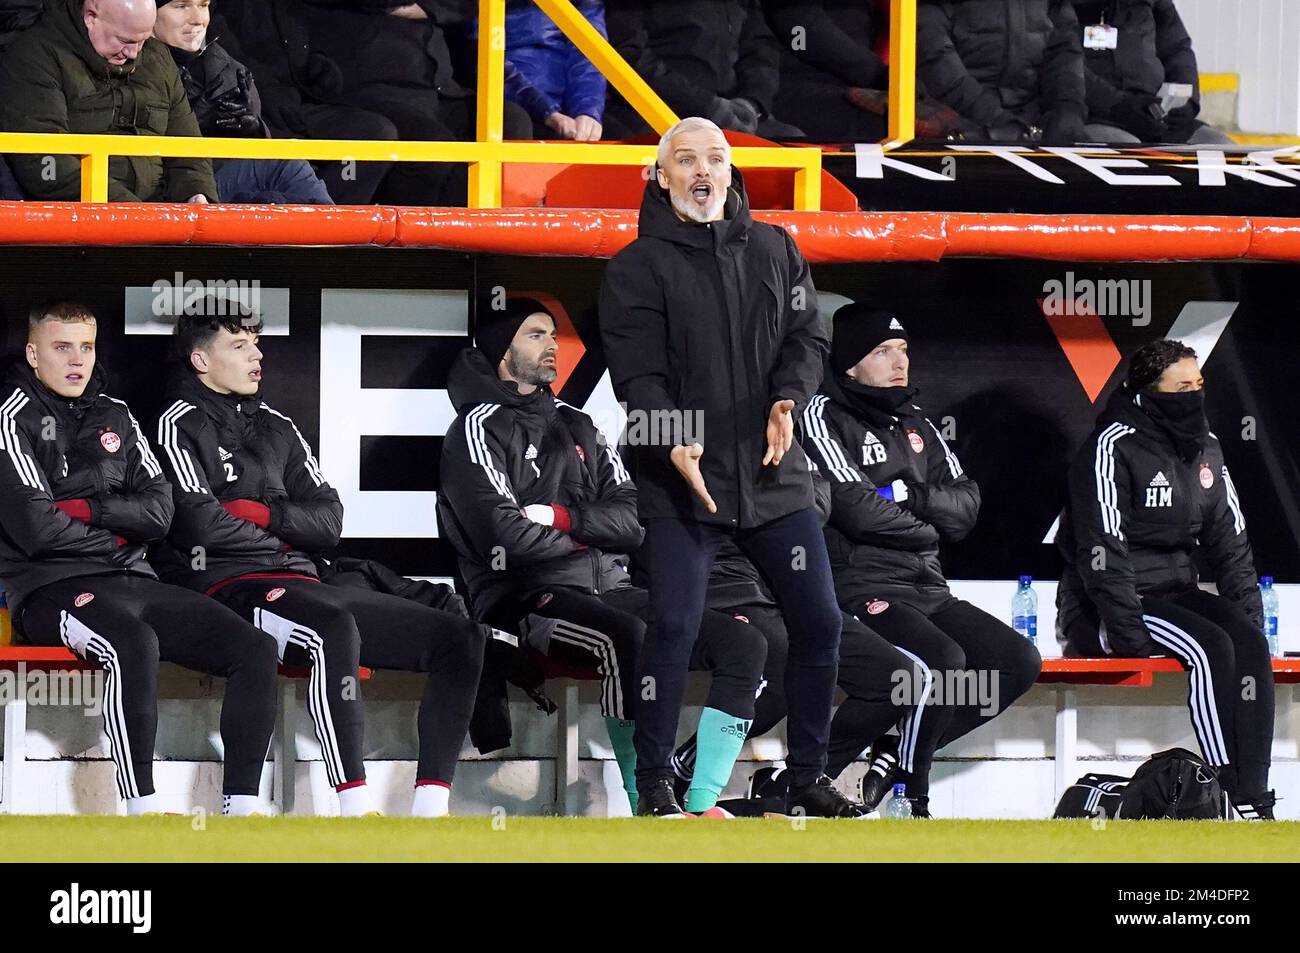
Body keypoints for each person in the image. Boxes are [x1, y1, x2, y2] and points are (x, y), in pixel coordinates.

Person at [600, 116, 854, 818]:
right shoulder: (635, 266)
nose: (702, 170)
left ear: (731, 171)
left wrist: (788, 398)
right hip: (683, 482)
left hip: (774, 475)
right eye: (686, 160)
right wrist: (674, 440)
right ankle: (654, 783)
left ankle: (806, 774)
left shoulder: (776, 247)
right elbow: (638, 377)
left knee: (820, 621)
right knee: (675, 624)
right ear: (661, 176)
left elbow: (808, 336)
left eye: (715, 157)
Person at [150, 306, 485, 818]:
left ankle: (431, 807)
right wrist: (283, 535)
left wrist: (261, 513)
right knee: (333, 625)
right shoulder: (176, 422)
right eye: (238, 346)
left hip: (305, 578)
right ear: (200, 359)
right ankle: (353, 803)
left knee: (459, 637)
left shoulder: (278, 426)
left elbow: (329, 521)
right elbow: (198, 526)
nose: (257, 354)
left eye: (256, 343)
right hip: (229, 588)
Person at [438, 297, 767, 816]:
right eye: (534, 335)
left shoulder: (580, 424)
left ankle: (702, 801)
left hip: (611, 589)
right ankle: (649, 800)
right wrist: (595, 533)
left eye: (552, 334)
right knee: (627, 638)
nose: (551, 345)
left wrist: (562, 519)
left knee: (743, 642)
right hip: (525, 598)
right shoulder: (476, 428)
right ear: (503, 352)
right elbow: (505, 539)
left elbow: (635, 523)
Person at [0, 303, 278, 815]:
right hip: (49, 590)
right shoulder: (11, 416)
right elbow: (35, 529)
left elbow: (160, 512)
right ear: (34, 354)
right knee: (132, 642)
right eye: (61, 348)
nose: (76, 361)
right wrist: (116, 536)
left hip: (133, 579)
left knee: (255, 648)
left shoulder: (117, 414)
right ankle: (140, 808)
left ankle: (242, 806)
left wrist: (90, 513)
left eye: (86, 347)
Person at [802, 303, 1041, 816]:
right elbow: (856, 510)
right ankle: (912, 796)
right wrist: (928, 514)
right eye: (883, 351)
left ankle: (896, 755)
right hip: (863, 586)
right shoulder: (820, 415)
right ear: (849, 364)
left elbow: (967, 509)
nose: (899, 362)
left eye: (903, 350)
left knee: (1015, 661)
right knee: (944, 661)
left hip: (928, 585)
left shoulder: (917, 424)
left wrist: (908, 497)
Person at [1056, 339, 1275, 819]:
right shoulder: (1110, 445)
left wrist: (1251, 619)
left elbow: (1231, 543)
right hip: (1110, 604)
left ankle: (1255, 796)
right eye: (1181, 388)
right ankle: (1222, 791)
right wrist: (1126, 634)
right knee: (1211, 648)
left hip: (1177, 591)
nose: (1194, 396)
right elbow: (1101, 550)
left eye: (1199, 385)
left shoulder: (1207, 448)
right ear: (1148, 393)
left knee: (1250, 645)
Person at [663, 463, 929, 813]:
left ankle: (802, 781)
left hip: (793, 583)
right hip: (726, 583)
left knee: (899, 678)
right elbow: (690, 514)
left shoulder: (787, 437)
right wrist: (771, 506)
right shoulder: (696, 435)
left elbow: (817, 501)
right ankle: (685, 766)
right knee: (781, 658)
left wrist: (776, 512)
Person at [0, 0, 217, 202]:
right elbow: (45, 162)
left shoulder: (157, 57)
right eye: (125, 41)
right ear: (90, 17)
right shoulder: (34, 57)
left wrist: (196, 194)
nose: (134, 52)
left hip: (159, 212)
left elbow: (188, 147)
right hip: (81, 219)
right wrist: (128, 211)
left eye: (142, 41)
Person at [152, 0, 334, 204]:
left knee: (274, 200)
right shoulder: (134, 63)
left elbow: (257, 150)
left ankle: (339, 232)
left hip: (216, 178)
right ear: (148, 11)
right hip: (175, 188)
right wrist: (198, 122)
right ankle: (340, 232)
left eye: (203, 5)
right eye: (181, 6)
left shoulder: (225, 65)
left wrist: (251, 130)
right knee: (286, 166)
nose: (198, 20)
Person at [603, 1, 803, 138]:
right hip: (657, 113)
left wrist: (752, 103)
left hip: (736, 113)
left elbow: (760, 45)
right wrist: (707, 106)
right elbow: (627, 56)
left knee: (796, 144)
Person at [916, 0, 1085, 145]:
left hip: (1033, 116)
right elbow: (934, 56)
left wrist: (1067, 106)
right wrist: (994, 119)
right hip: (955, 117)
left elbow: (1064, 49)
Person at [1074, 0, 1232, 145]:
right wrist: (1117, 105)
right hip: (1095, 115)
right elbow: (1062, 64)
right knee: (1127, 153)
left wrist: (1185, 102)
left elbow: (1177, 50)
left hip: (1155, 113)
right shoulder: (1059, 6)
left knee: (1219, 146)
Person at [764, 0, 888, 143]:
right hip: (788, 84)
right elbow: (799, 28)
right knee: (883, 129)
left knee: (903, 123)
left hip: (849, 85)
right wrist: (880, 74)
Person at [502, 0, 605, 141]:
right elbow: (480, 56)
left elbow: (588, 50)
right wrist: (546, 111)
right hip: (508, 99)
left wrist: (587, 111)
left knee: (627, 132)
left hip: (562, 108)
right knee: (516, 123)